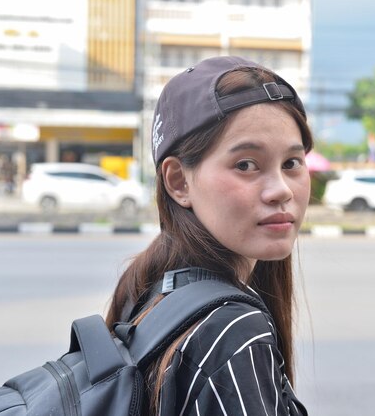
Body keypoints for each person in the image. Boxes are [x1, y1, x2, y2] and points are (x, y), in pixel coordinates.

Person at [105, 56, 312, 415]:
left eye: (291, 163)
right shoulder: (232, 332)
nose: (281, 190)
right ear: (179, 181)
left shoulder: (150, 289)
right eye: (246, 165)